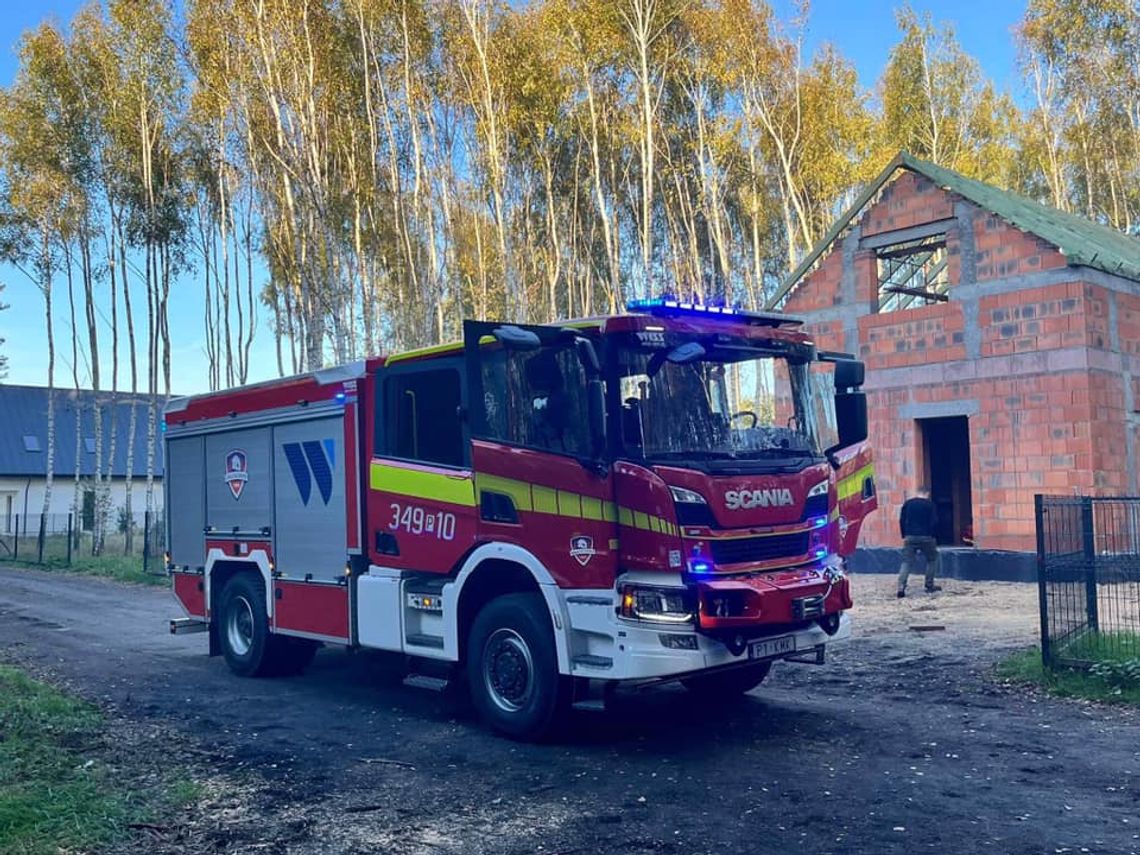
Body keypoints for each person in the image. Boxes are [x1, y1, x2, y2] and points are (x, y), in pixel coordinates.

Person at [897, 486, 942, 598]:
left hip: (910, 536)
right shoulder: (930, 505)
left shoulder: (908, 504)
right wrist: (934, 535)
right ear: (927, 494)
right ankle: (929, 585)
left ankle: (901, 586)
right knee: (932, 559)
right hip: (926, 536)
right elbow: (935, 521)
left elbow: (902, 520)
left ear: (917, 493)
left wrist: (904, 534)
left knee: (906, 562)